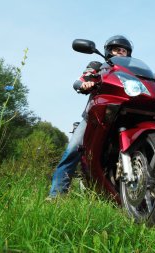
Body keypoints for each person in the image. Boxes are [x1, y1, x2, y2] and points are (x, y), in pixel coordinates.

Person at [48, 35, 133, 198]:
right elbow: (83, 78)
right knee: (73, 148)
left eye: (124, 51)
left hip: (126, 112)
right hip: (98, 114)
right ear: (109, 52)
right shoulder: (99, 66)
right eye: (117, 50)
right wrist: (85, 83)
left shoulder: (131, 71)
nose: (121, 53)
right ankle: (56, 195)